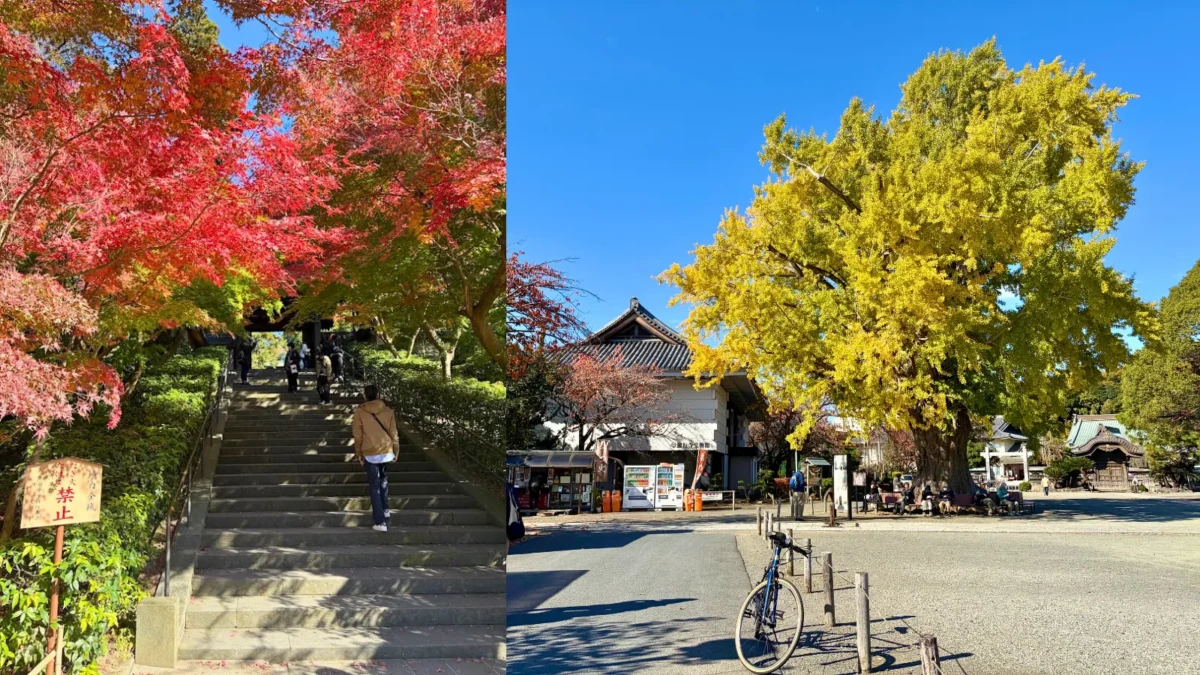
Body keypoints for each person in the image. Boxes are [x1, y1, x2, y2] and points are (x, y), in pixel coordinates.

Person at [352, 384, 398, 532]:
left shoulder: (360, 412)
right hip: (386, 450)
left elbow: (357, 435)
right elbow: (394, 433)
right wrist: (396, 451)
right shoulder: (387, 410)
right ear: (377, 394)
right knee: (383, 480)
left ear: (366, 395)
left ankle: (380, 522)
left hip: (370, 452)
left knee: (374, 486)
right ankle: (385, 509)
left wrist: (358, 454)